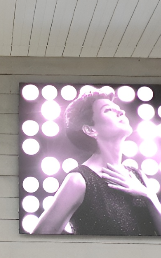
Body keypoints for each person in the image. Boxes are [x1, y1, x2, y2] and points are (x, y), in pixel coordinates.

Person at [33, 87, 161, 235]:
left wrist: (148, 195)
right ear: (90, 130)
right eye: (108, 110)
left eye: (118, 108)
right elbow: (40, 236)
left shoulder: (137, 176)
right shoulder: (79, 180)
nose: (121, 112)